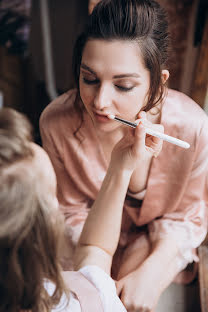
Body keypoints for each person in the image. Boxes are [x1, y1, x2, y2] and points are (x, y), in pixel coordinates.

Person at [39, 0, 208, 310]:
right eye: (89, 79)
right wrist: (99, 280)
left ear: (158, 81)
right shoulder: (56, 122)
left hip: (156, 241)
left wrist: (153, 271)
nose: (100, 101)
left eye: (124, 85)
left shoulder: (193, 128)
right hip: (85, 238)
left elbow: (188, 215)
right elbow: (69, 213)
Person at [1, 107, 161, 311]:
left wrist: (120, 166)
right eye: (53, 194)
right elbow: (95, 254)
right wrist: (123, 168)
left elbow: (92, 249)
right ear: (41, 230)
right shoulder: (86, 302)